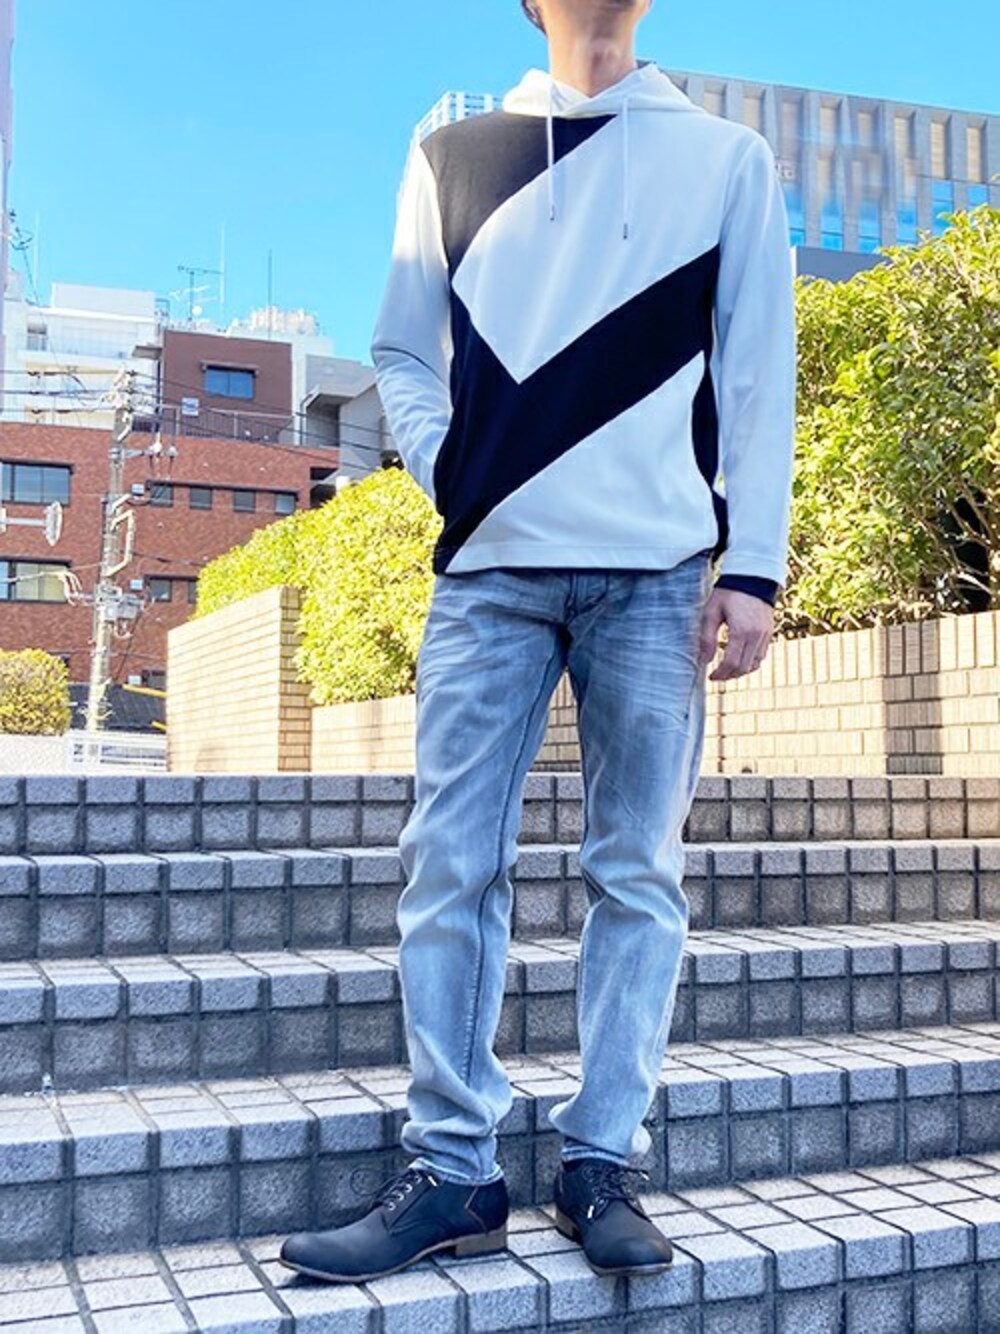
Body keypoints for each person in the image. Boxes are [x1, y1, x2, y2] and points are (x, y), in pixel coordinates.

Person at [280, 0, 795, 1284]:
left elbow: (756, 368)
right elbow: (401, 347)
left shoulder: (724, 160)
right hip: (490, 572)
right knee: (448, 862)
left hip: (657, 568)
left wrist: (753, 565)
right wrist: (449, 462)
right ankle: (453, 1169)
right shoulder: (453, 156)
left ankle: (599, 1159)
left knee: (638, 871)